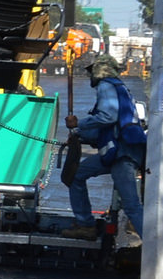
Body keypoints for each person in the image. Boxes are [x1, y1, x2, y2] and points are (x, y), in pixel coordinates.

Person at [61, 53, 147, 241]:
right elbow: (107, 129)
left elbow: (108, 117)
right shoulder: (120, 88)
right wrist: (78, 135)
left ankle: (153, 250)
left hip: (122, 154)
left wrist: (78, 124)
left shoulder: (106, 85)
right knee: (76, 175)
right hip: (118, 150)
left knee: (131, 205)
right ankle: (85, 224)